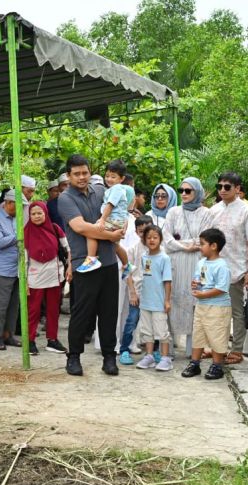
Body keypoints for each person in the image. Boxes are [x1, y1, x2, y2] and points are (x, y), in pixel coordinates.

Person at [57, 153, 124, 376]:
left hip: (108, 262)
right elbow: (81, 228)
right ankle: (73, 357)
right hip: (84, 263)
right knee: (81, 312)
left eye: (85, 172)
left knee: (109, 311)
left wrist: (115, 233)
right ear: (69, 176)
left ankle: (109, 357)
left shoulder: (102, 192)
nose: (82, 177)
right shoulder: (65, 198)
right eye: (76, 174)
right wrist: (111, 236)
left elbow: (116, 218)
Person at [209, 171, 248, 364]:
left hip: (237, 270)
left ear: (237, 189)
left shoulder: (247, 211)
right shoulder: (214, 210)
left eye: (227, 187)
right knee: (216, 312)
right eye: (219, 186)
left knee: (237, 313)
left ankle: (237, 350)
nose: (222, 190)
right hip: (215, 270)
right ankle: (216, 347)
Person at [162, 177, 214, 353]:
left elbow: (204, 240)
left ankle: (193, 352)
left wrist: (184, 243)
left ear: (197, 192)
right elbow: (166, 239)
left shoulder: (207, 213)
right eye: (181, 190)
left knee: (194, 303)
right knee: (172, 301)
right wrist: (185, 245)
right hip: (175, 264)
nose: (183, 194)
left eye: (188, 191)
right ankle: (168, 350)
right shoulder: (173, 212)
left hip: (197, 263)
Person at [181, 228, 231, 380]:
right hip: (201, 305)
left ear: (214, 246)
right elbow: (199, 279)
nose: (200, 246)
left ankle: (217, 365)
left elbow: (222, 288)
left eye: (202, 244)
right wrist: (195, 284)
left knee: (217, 335)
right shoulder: (201, 262)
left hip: (217, 307)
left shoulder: (222, 266)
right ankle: (195, 363)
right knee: (199, 334)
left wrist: (204, 294)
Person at [24, 201, 70, 355]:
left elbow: (68, 249)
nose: (36, 216)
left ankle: (52, 339)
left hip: (54, 276)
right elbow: (22, 258)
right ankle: (30, 341)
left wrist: (70, 267)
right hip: (34, 277)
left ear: (45, 213)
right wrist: (23, 281)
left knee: (53, 310)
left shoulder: (55, 229)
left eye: (39, 213)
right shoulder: (25, 232)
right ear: (29, 216)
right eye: (33, 214)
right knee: (33, 311)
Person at [77, 159, 133, 277]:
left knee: (91, 232)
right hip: (118, 221)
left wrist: (102, 219)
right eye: (107, 176)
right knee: (116, 246)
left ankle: (91, 259)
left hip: (113, 221)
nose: (109, 179)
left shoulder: (116, 189)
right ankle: (127, 264)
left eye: (113, 177)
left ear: (121, 179)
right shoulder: (115, 189)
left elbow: (110, 205)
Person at [130, 225, 173, 371]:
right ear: (144, 240)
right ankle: (149, 356)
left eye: (155, 237)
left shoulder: (164, 258)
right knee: (146, 331)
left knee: (162, 331)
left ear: (160, 239)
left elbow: (167, 281)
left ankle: (165, 358)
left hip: (159, 302)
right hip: (146, 302)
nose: (152, 240)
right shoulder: (144, 257)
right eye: (148, 237)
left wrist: (167, 300)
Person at [0, 190, 22, 350]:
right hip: (2, 268)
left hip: (18, 267)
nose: (20, 208)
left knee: (14, 304)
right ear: (8, 203)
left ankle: (9, 335)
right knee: (0, 304)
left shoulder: (18, 218)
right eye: (18, 205)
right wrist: (19, 236)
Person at [119, 215, 154, 365]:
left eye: (148, 230)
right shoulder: (132, 250)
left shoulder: (159, 249)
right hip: (138, 292)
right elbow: (127, 272)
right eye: (141, 231)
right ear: (136, 232)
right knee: (132, 321)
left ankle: (154, 352)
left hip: (154, 293)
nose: (145, 235)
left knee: (155, 323)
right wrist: (132, 293)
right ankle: (124, 349)